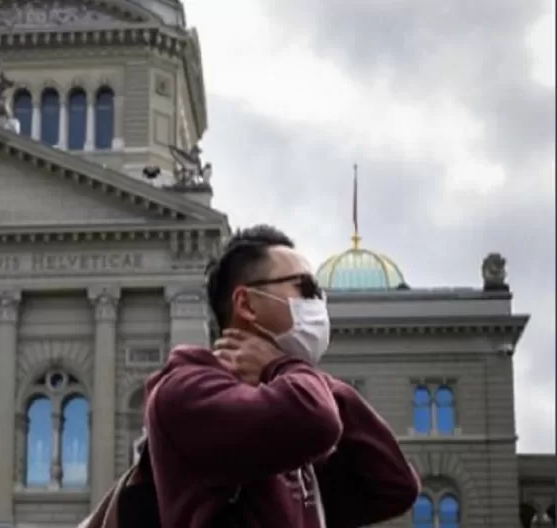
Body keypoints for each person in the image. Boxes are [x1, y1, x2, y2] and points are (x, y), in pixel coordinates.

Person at [145, 224, 420, 527]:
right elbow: (316, 420)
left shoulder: (291, 412)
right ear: (246, 304)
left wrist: (294, 373)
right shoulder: (187, 392)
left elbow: (395, 485)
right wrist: (285, 367)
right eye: (305, 289)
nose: (317, 304)